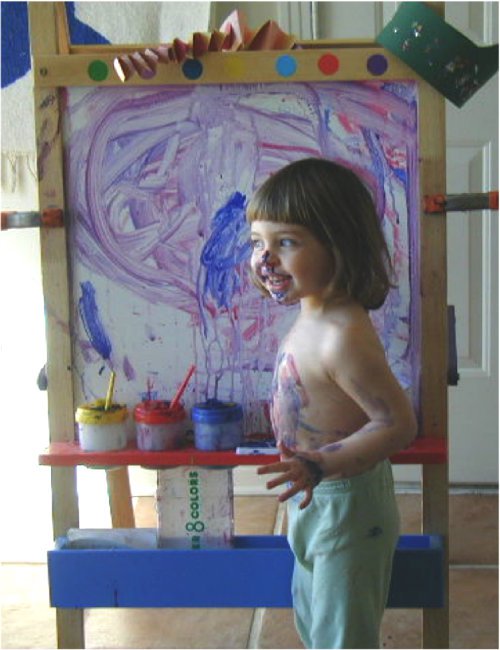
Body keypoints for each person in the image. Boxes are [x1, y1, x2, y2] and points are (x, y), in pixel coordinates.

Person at [247, 158, 417, 649]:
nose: (265, 259)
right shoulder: (312, 313)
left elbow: (397, 424)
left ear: (339, 245)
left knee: (343, 635)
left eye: (286, 242)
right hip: (314, 494)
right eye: (257, 242)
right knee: (316, 619)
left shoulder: (342, 335)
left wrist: (320, 464)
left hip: (347, 503)